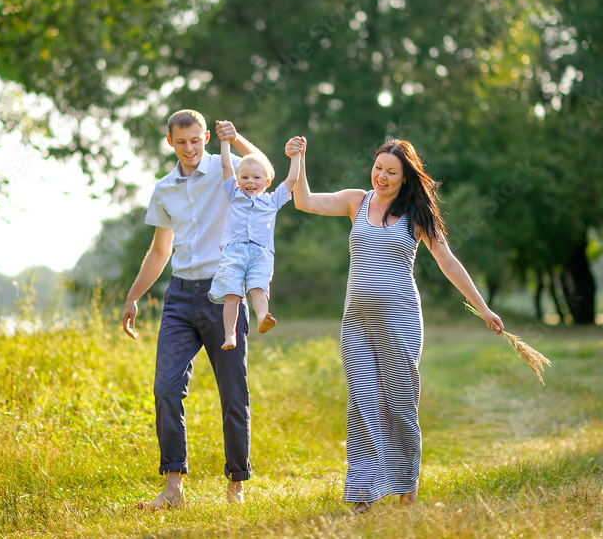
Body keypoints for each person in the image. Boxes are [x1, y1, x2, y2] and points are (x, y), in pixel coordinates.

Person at [291, 136, 505, 513]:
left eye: (391, 172)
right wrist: (299, 159)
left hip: (400, 320)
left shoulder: (416, 215)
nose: (382, 177)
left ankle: (407, 491)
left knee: (400, 406)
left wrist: (483, 308)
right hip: (355, 321)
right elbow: (304, 201)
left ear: (405, 178)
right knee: (362, 403)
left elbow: (448, 262)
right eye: (378, 168)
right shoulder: (356, 201)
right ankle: (363, 494)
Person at [120, 109, 268, 510]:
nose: (189, 148)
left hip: (223, 295)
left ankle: (236, 485)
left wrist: (235, 140)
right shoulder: (164, 188)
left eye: (195, 140)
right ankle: (173, 488)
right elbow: (159, 250)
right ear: (170, 142)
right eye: (181, 141)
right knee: (165, 388)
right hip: (179, 297)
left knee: (233, 393)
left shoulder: (228, 169)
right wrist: (133, 296)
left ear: (205, 136)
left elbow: (264, 167)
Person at [210, 136, 303, 350]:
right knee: (231, 295)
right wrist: (225, 142)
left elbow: (291, 180)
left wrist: (296, 156)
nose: (250, 181)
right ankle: (229, 335)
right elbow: (226, 165)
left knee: (258, 289)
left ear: (267, 182)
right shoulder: (234, 195)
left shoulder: (272, 201)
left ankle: (262, 318)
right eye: (244, 177)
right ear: (238, 179)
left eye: (256, 177)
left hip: (261, 254)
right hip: (234, 253)